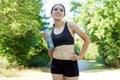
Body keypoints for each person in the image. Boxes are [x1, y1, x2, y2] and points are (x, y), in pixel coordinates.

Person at [43, 3, 90, 80]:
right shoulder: (50, 33)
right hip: (56, 64)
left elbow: (87, 39)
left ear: (64, 14)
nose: (58, 11)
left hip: (70, 63)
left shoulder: (70, 25)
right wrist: (47, 41)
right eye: (55, 9)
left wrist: (80, 56)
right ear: (51, 13)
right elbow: (51, 53)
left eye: (61, 10)